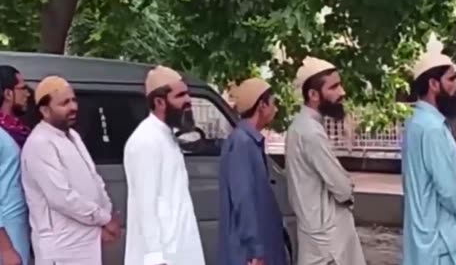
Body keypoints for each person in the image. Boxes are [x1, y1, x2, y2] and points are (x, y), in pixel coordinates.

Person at [20, 76, 120, 265]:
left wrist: (106, 214)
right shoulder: (40, 143)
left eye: (74, 100)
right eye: (64, 103)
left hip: (85, 242)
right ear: (44, 110)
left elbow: (94, 178)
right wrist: (104, 218)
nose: (73, 107)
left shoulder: (72, 135)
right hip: (62, 247)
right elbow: (61, 197)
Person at [285, 56, 366, 265]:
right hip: (328, 243)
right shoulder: (310, 132)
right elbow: (342, 188)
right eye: (334, 87)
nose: (342, 93)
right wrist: (348, 188)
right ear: (313, 94)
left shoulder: (301, 126)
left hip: (319, 236)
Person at [123, 66, 205, 265]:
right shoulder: (145, 140)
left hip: (179, 250)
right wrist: (155, 257)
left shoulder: (166, 135)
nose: (188, 101)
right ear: (159, 102)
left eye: (187, 94)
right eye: (180, 96)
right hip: (161, 257)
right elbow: (146, 204)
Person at [401, 45, 456, 265]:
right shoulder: (432, 129)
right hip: (439, 242)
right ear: (433, 84)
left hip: (423, 238)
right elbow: (449, 191)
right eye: (451, 79)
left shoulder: (416, 123)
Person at [218, 77, 286, 265]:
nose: (276, 109)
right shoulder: (242, 143)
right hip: (247, 253)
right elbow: (244, 199)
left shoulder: (248, 141)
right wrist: (255, 250)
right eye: (273, 103)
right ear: (262, 106)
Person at [0, 65, 31, 147]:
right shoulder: (5, 135)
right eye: (23, 88)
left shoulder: (20, 130)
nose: (27, 94)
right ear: (8, 94)